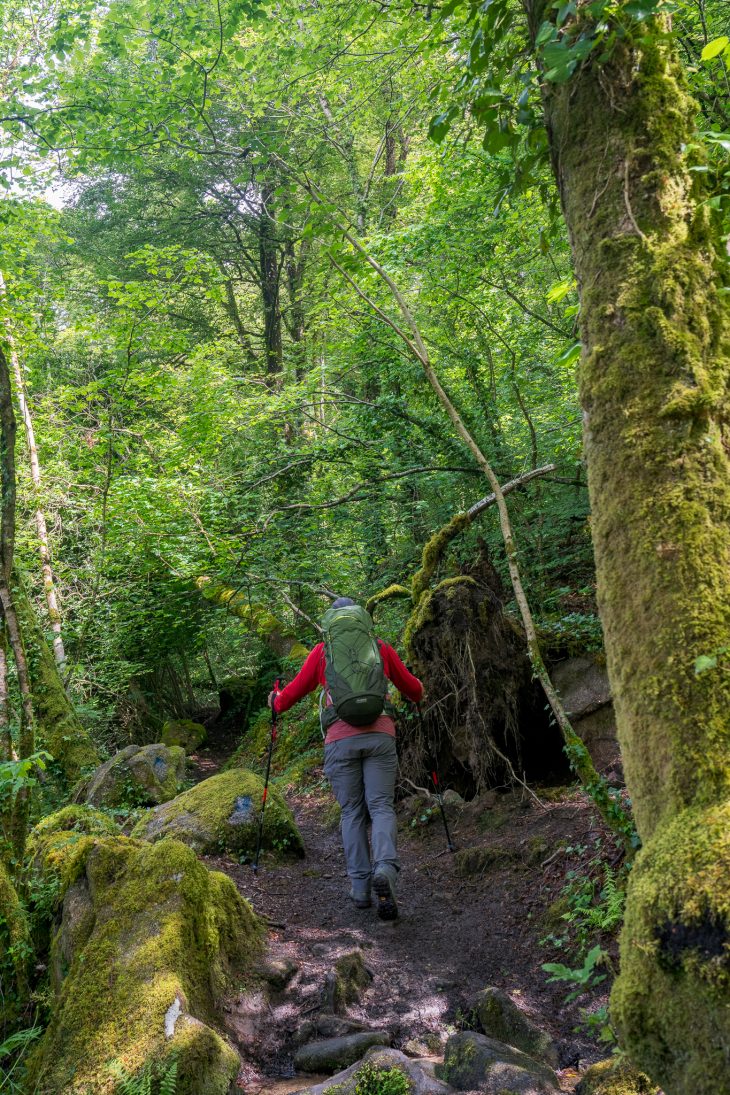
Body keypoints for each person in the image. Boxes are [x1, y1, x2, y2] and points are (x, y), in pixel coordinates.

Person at [268, 597, 423, 920]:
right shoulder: (379, 647)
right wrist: (417, 687)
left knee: (352, 811)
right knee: (381, 805)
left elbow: (292, 695)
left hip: (340, 740)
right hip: (380, 734)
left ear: (332, 623)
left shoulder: (323, 652)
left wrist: (276, 701)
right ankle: (386, 869)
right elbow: (413, 689)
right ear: (361, 620)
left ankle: (361, 888)